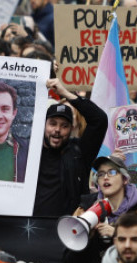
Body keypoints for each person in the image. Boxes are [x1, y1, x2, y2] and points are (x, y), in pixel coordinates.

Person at [65, 155, 137, 263]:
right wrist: (87, 239)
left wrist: (118, 235)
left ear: (125, 179)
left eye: (112, 172)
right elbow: (70, 262)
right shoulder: (84, 209)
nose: (105, 177)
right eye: (100, 174)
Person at [33, 79, 108, 216]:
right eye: (53, 124)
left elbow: (99, 119)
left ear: (71, 128)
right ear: (44, 125)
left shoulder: (79, 152)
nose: (57, 130)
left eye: (64, 126)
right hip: (30, 228)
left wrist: (66, 93)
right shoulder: (30, 151)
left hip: (69, 230)